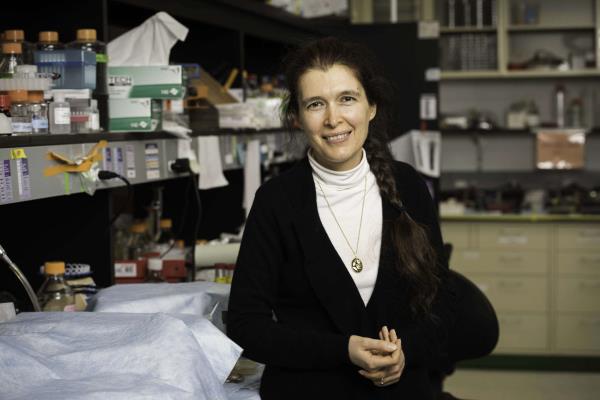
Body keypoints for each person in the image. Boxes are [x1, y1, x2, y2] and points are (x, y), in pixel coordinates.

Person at [227, 37, 498, 400]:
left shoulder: (407, 187)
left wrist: (405, 354)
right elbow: (246, 326)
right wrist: (343, 350)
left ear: (371, 106)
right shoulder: (276, 202)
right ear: (297, 117)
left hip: (404, 390)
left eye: (347, 99)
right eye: (315, 104)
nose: (333, 118)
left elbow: (443, 302)